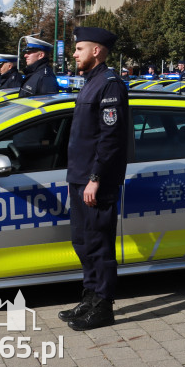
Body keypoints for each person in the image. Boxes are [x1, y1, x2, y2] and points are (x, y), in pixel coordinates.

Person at [58, 27, 128, 330]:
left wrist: (96, 178)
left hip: (95, 181)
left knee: (99, 243)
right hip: (79, 178)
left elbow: (110, 138)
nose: (74, 54)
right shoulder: (90, 83)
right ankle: (89, 297)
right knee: (82, 241)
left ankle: (103, 306)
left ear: (96, 51)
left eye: (79, 49)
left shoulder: (110, 85)